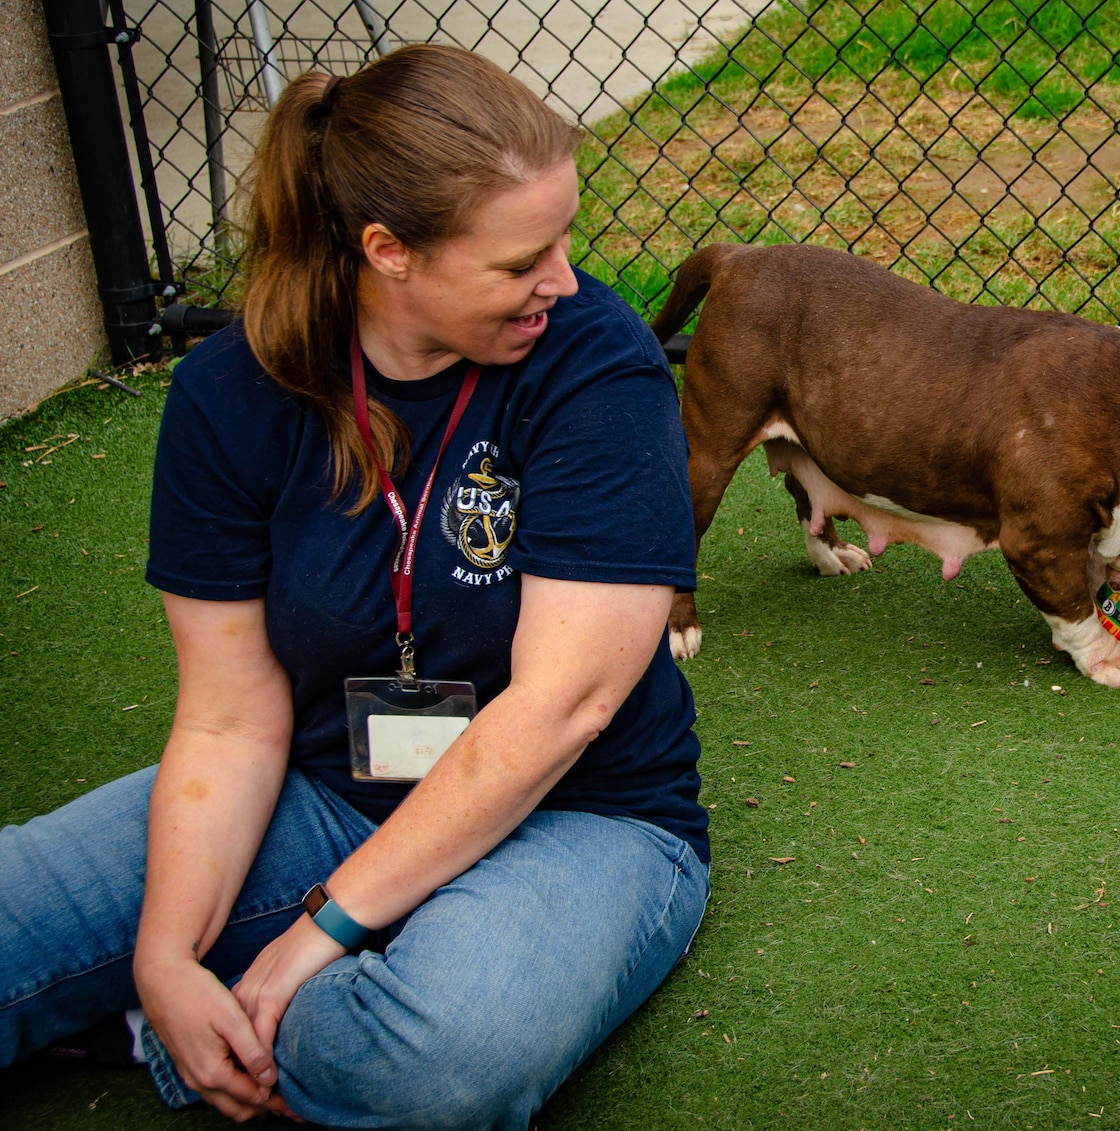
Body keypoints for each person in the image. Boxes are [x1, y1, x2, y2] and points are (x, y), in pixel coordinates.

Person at [0, 44, 709, 1127]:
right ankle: (189, 1013)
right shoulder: (229, 394)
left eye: (563, 241)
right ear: (389, 252)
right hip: (333, 790)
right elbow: (232, 718)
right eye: (521, 261)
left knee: (437, 1059)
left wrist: (314, 936)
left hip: (583, 815)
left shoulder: (595, 364)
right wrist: (160, 955)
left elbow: (567, 705)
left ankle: (239, 1027)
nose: (562, 281)